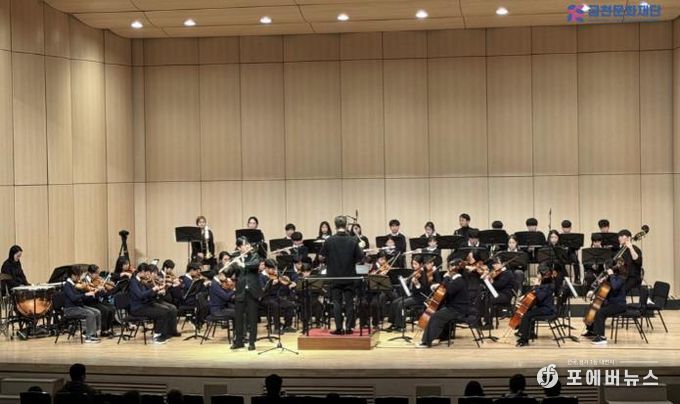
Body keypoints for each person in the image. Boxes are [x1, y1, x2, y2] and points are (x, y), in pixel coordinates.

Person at [318, 216, 364, 335]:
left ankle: (338, 328)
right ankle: (348, 328)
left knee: (337, 303)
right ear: (346, 225)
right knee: (349, 303)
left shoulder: (329, 240)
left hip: (334, 276)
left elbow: (321, 257)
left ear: (335, 225)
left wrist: (329, 259)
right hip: (349, 275)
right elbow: (360, 258)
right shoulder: (353, 240)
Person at [416, 258, 470, 348]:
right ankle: (443, 336)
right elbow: (446, 291)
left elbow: (449, 290)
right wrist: (438, 287)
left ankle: (425, 342)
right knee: (439, 312)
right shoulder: (456, 279)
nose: (448, 270)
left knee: (435, 316)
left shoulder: (458, 280)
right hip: (454, 307)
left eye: (449, 268)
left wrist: (446, 278)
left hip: (458, 310)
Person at [225, 237, 262, 350]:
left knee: (252, 318)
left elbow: (255, 265)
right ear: (239, 247)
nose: (247, 246)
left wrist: (242, 264)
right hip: (240, 291)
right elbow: (229, 273)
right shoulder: (236, 259)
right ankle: (239, 341)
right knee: (239, 318)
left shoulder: (254, 255)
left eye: (248, 244)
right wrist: (227, 266)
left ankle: (252, 342)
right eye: (244, 245)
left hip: (252, 291)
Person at [128, 264, 178, 344]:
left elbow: (148, 294)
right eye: (147, 273)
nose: (148, 276)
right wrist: (153, 289)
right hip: (137, 308)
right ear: (142, 272)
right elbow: (140, 295)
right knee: (162, 313)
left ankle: (164, 334)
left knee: (166, 310)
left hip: (145, 305)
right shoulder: (133, 282)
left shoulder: (141, 281)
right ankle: (157, 336)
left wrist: (157, 291)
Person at [582, 263, 627, 345]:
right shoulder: (612, 277)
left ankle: (601, 337)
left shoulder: (622, 278)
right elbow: (604, 289)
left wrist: (611, 275)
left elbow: (615, 287)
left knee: (600, 313)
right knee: (592, 308)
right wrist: (596, 288)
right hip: (611, 303)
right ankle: (591, 330)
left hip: (619, 305)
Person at [386, 255, 430, 332]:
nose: (414, 266)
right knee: (395, 302)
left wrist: (417, 284)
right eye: (413, 264)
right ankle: (393, 323)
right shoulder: (415, 272)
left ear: (421, 264)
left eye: (416, 264)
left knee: (401, 304)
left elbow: (423, 289)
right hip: (412, 295)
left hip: (419, 297)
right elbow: (409, 283)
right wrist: (405, 280)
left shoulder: (423, 274)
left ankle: (401, 326)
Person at [515, 266, 555, 347]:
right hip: (544, 307)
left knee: (526, 315)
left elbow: (540, 297)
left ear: (542, 275)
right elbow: (534, 294)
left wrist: (536, 286)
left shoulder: (547, 285)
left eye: (538, 274)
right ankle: (528, 333)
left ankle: (523, 339)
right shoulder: (545, 284)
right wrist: (524, 296)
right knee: (529, 312)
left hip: (547, 309)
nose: (537, 276)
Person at [63, 267, 102, 343]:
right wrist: (85, 294)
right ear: (72, 275)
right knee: (90, 314)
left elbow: (81, 296)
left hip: (78, 307)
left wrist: (91, 293)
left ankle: (95, 333)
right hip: (70, 309)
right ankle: (89, 337)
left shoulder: (73, 284)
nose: (79, 278)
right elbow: (73, 298)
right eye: (78, 276)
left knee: (97, 312)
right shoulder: (67, 285)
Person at [261, 259, 297, 333]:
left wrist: (289, 282)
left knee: (290, 305)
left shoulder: (275, 275)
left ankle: (287, 326)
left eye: (275, 269)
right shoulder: (261, 276)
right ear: (266, 268)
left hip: (275, 297)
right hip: (265, 298)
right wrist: (271, 284)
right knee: (275, 305)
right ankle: (276, 328)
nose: (274, 271)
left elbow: (283, 285)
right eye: (272, 269)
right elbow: (263, 291)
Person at [84, 265, 116, 336]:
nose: (98, 275)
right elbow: (88, 293)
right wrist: (97, 289)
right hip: (89, 302)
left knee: (112, 308)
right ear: (89, 273)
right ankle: (103, 330)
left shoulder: (97, 280)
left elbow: (101, 295)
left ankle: (108, 328)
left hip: (96, 301)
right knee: (105, 310)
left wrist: (103, 290)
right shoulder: (85, 281)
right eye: (96, 273)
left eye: (98, 273)